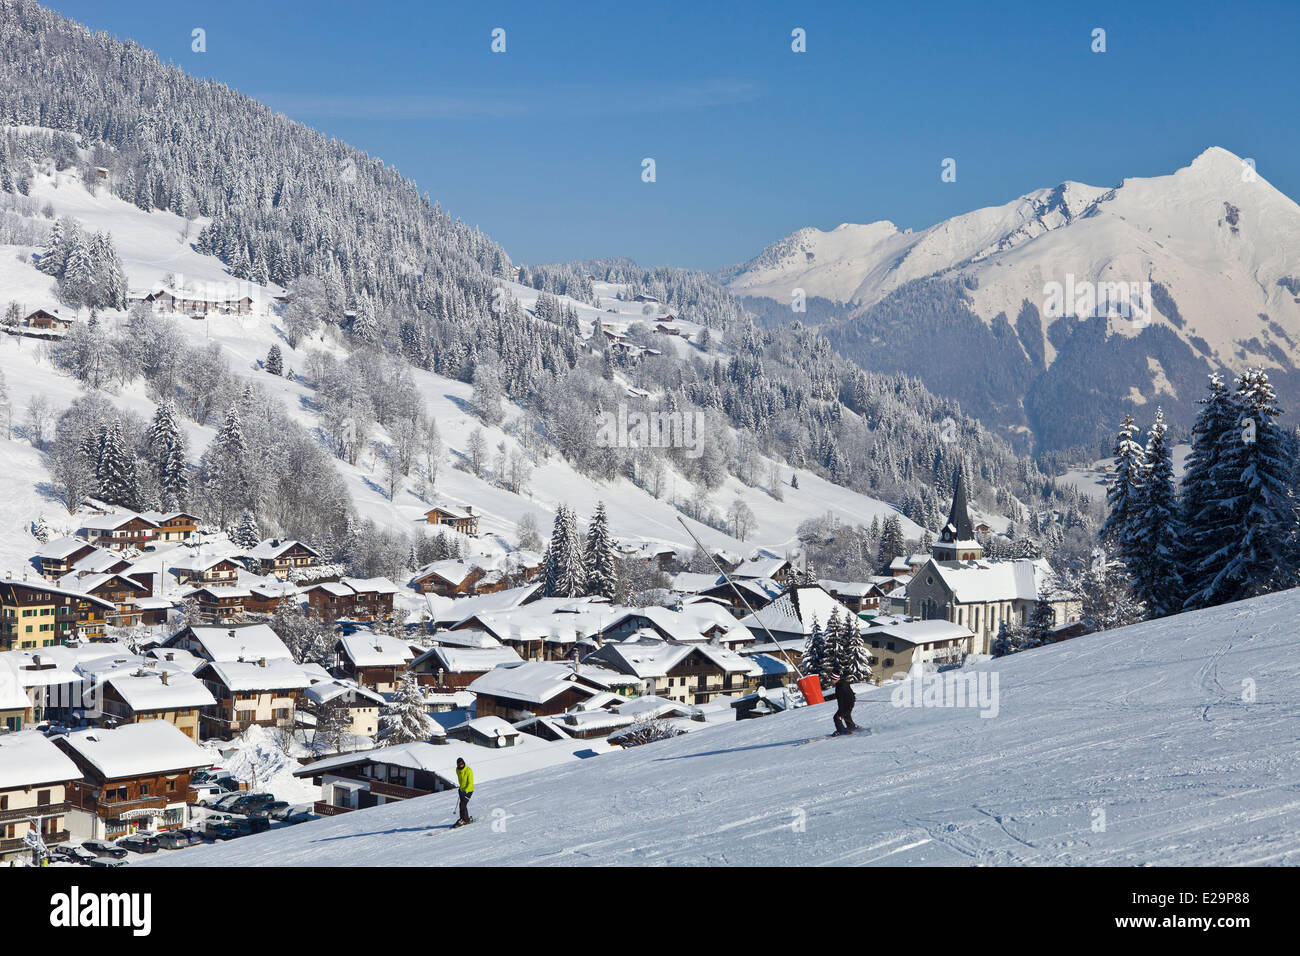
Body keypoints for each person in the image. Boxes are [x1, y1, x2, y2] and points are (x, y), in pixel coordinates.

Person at [454, 757, 474, 826]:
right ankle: (465, 819)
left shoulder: (468, 771)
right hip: (462, 790)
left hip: (469, 791)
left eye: (462, 763)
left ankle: (464, 820)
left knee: (462, 805)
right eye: (459, 764)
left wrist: (465, 791)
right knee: (463, 805)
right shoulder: (457, 770)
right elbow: (461, 781)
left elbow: (470, 783)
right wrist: (460, 789)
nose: (461, 765)